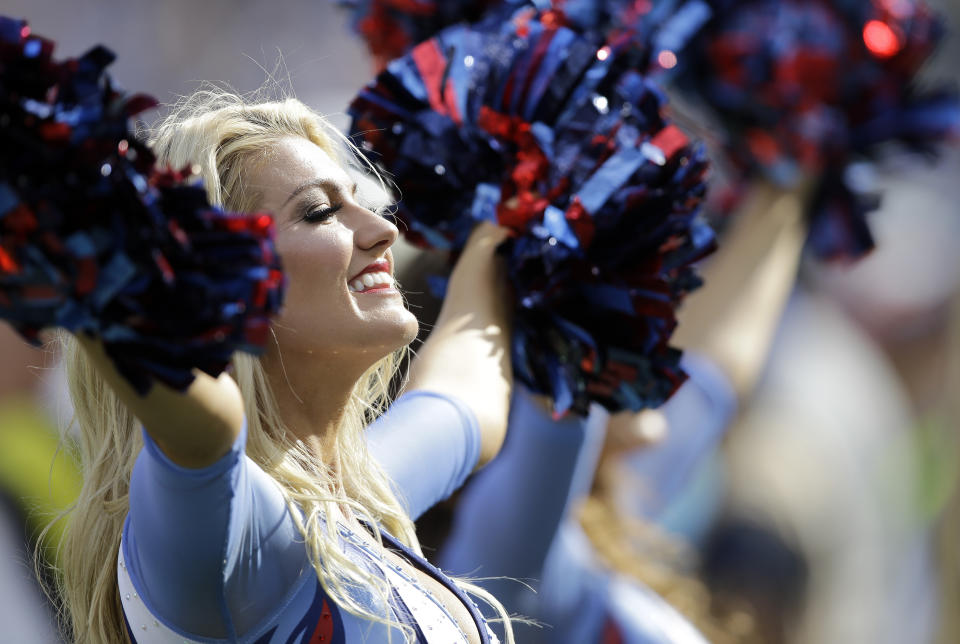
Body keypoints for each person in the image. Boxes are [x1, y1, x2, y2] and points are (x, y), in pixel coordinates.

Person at [45, 89, 516, 644]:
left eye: (362, 200)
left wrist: (517, 210)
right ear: (218, 285)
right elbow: (204, 433)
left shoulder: (353, 500)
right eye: (319, 212)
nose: (383, 229)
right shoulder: (238, 532)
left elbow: (467, 393)